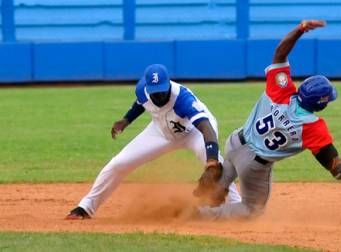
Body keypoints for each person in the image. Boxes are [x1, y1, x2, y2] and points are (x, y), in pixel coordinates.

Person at [194, 20, 341, 220]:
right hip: (253, 164)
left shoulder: (281, 89)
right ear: (321, 104)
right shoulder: (313, 128)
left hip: (235, 143)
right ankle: (199, 216)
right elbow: (338, 169)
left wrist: (300, 29)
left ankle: (189, 207)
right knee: (251, 210)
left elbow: (280, 53)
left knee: (217, 187)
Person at [65, 64, 241, 219]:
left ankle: (238, 206)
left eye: (162, 91)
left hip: (194, 132)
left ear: (168, 84)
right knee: (119, 163)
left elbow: (206, 128)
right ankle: (86, 207)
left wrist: (211, 160)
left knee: (214, 163)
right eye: (154, 92)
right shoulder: (142, 90)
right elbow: (140, 103)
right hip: (160, 133)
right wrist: (126, 120)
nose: (158, 96)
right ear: (148, 88)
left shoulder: (183, 99)